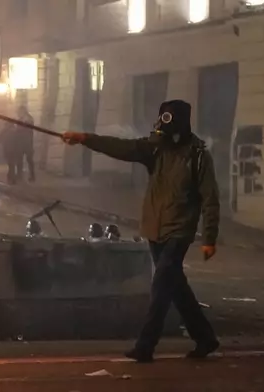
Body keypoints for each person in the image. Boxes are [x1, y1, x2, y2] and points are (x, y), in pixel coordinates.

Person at [62, 100, 220, 363]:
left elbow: (210, 198)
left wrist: (210, 238)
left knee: (160, 286)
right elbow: (121, 147)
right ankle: (205, 338)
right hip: (154, 228)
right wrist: (84, 138)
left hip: (179, 230)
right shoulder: (155, 149)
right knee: (176, 286)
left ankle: (145, 346)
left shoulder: (198, 156)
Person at [14, 105, 36, 182]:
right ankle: (20, 175)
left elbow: (24, 129)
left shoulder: (28, 119)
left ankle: (32, 176)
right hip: (22, 142)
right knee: (20, 159)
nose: (18, 113)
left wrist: (18, 128)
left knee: (29, 159)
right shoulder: (22, 119)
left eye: (19, 112)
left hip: (27, 142)